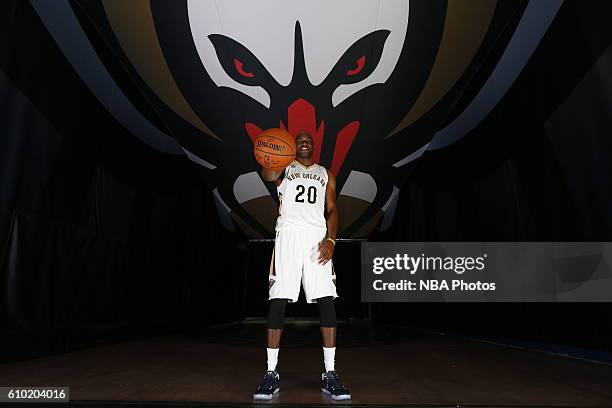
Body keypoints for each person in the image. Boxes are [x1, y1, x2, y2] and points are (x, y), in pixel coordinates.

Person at [253, 131, 351, 401]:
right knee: (278, 300)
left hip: (316, 238)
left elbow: (332, 209)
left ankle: (330, 373)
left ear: (314, 145)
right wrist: (270, 155)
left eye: (308, 140)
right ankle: (271, 373)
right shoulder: (284, 166)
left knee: (325, 300)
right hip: (288, 236)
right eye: (299, 141)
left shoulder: (326, 173)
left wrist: (331, 239)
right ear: (292, 147)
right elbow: (268, 176)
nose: (304, 143)